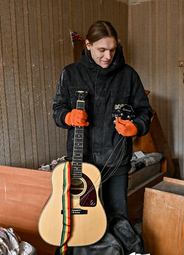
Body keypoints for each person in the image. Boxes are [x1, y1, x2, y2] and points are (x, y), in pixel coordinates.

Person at [52, 20, 153, 220]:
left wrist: (136, 127)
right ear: (88, 45)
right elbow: (57, 110)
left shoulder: (128, 75)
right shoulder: (70, 73)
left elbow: (145, 111)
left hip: (116, 161)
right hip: (82, 160)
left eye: (113, 50)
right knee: (84, 218)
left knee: (118, 217)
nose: (108, 56)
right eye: (102, 50)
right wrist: (68, 116)